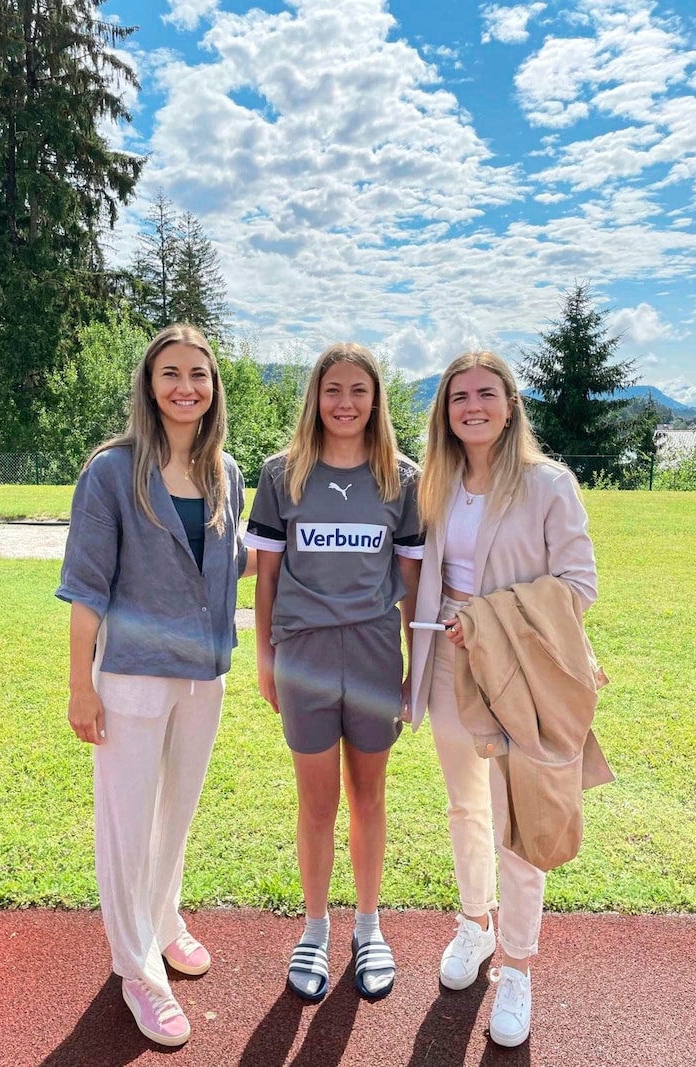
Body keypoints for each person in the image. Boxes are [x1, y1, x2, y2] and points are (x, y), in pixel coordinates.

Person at [56, 323, 254, 1047]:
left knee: (175, 816)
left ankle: (164, 919)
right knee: (128, 826)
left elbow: (228, 568)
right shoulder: (110, 471)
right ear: (148, 383)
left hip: (203, 680)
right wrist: (82, 685)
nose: (185, 386)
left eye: (198, 374)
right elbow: (86, 588)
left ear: (213, 387)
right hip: (133, 676)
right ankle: (135, 965)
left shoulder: (226, 472)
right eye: (170, 372)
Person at [410, 350, 599, 1048]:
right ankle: (474, 924)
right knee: (465, 805)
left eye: (486, 393)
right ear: (446, 411)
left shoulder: (549, 485)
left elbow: (578, 586)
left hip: (516, 675)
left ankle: (517, 965)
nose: (472, 406)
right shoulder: (438, 481)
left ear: (511, 403)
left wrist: (488, 622)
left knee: (518, 823)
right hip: (445, 670)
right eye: (459, 396)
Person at [245, 342, 423, 1003]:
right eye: (332, 389)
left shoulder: (402, 479)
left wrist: (416, 669)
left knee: (369, 797)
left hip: (376, 655)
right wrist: (264, 656)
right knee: (317, 802)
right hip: (304, 656)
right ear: (315, 397)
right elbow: (264, 576)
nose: (345, 402)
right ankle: (316, 927)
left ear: (376, 399)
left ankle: (369, 926)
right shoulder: (281, 474)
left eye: (358, 390)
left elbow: (411, 583)